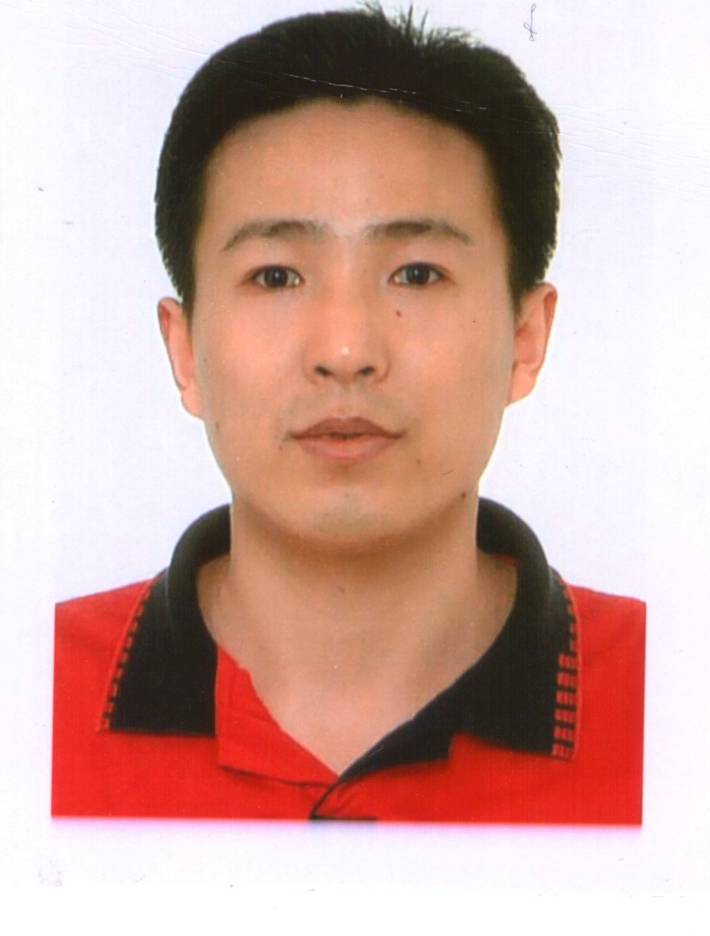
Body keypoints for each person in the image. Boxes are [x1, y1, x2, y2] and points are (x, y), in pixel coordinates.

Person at [52, 5, 645, 823]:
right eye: (276, 276)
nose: (344, 350)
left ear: (525, 337)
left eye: (417, 274)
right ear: (184, 350)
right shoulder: (36, 690)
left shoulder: (676, 697)